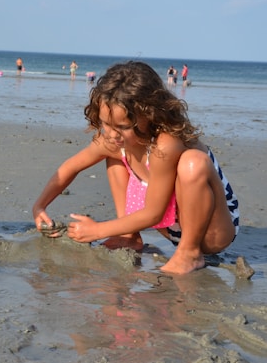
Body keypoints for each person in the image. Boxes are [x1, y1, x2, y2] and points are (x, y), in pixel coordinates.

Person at [32, 61, 239, 275]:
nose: (112, 134)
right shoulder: (115, 140)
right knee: (114, 154)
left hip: (212, 231)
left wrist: (97, 231)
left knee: (193, 163)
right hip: (172, 228)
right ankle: (128, 235)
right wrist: (39, 207)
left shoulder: (166, 143)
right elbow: (70, 167)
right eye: (106, 124)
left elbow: (154, 213)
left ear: (150, 114)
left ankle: (189, 253)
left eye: (122, 127)